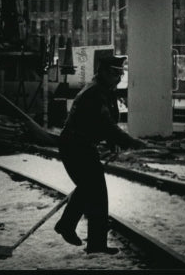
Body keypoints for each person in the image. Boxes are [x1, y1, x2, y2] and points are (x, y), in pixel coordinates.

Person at [55, 54, 147, 255]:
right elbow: (106, 124)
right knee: (94, 189)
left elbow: (101, 123)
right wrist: (130, 142)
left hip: (80, 144)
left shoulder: (102, 89)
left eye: (120, 73)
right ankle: (69, 227)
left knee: (92, 190)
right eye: (115, 73)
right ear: (103, 72)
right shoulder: (96, 92)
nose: (119, 77)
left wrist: (113, 141)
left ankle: (80, 234)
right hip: (75, 145)